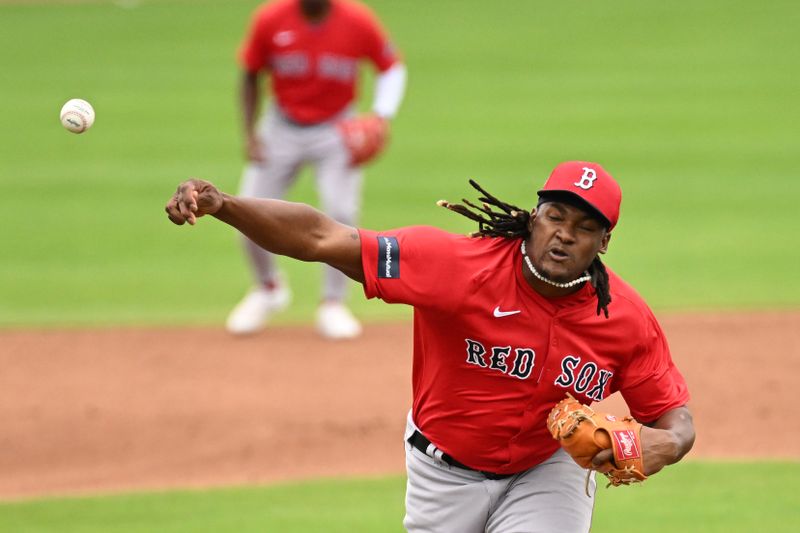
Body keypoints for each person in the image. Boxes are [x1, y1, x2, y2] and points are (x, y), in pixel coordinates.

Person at [165, 161, 695, 532]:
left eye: (584, 227)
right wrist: (225, 204)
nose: (564, 235)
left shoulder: (624, 318)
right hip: (443, 473)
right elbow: (322, 238)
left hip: (546, 469)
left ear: (604, 243)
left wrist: (663, 446)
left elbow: (677, 422)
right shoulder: (456, 266)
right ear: (535, 217)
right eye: (556, 216)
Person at [228, 0, 407, 338]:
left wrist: (381, 116)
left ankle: (333, 303)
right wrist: (251, 134)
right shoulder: (271, 18)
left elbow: (392, 66)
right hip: (280, 126)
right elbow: (250, 75)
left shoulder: (357, 20)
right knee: (245, 209)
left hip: (337, 129)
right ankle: (267, 289)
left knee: (341, 214)